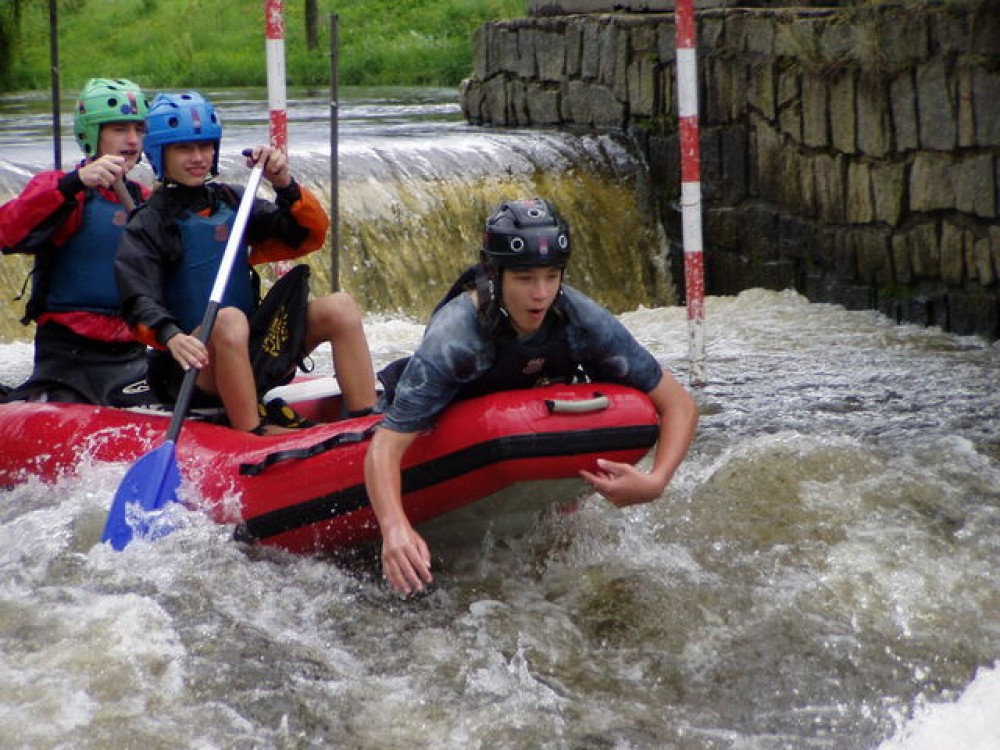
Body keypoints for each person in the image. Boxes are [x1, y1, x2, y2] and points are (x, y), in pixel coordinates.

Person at [364, 197, 699, 594]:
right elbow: (385, 446)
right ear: (496, 275)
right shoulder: (456, 336)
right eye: (525, 279)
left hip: (520, 440)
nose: (540, 293)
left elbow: (679, 405)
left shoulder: (580, 319)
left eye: (551, 276)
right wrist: (394, 528)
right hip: (442, 428)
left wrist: (657, 480)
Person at [115, 91, 376, 434]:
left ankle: (366, 419)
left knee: (339, 307)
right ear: (159, 153)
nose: (198, 157)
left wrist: (284, 184)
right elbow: (138, 300)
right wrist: (172, 336)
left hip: (250, 351)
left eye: (205, 146)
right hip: (191, 367)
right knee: (228, 319)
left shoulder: (232, 200)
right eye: (184, 149)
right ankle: (253, 432)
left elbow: (304, 236)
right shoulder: (149, 222)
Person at [0, 77, 151, 405]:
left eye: (139, 129)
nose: (132, 140)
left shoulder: (145, 200)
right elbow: (7, 233)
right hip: (68, 357)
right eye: (119, 129)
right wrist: (73, 184)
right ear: (91, 134)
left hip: (132, 354)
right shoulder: (61, 189)